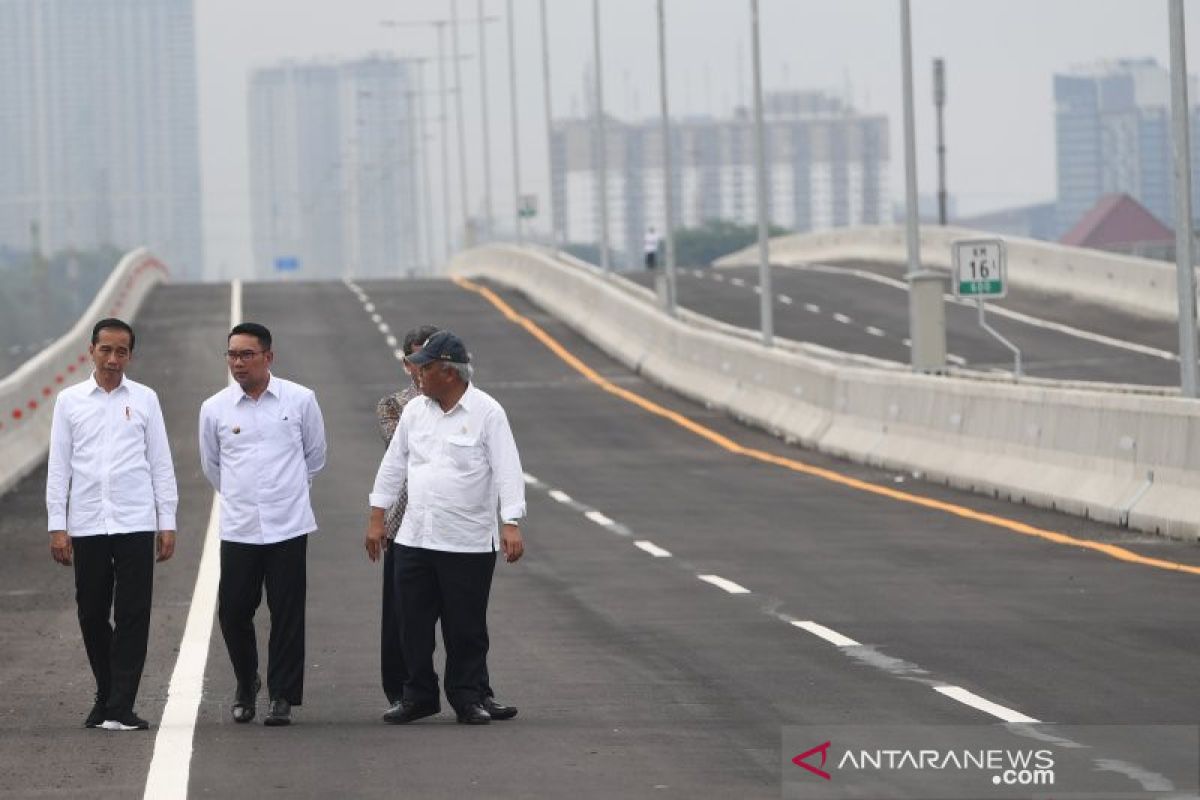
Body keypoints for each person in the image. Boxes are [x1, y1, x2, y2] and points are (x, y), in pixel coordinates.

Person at [366, 330, 525, 725]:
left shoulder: (487, 412)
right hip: (416, 536)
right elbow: (394, 465)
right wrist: (376, 517)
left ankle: (468, 696)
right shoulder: (416, 412)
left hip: (467, 540)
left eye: (426, 369)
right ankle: (418, 695)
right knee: (412, 624)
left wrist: (511, 523)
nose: (418, 376)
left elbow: (508, 470)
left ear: (448, 373)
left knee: (465, 627)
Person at [46, 318, 178, 731]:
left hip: (135, 520)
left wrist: (166, 520)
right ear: (91, 350)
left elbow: (160, 462)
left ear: (130, 355)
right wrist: (57, 525)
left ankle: (121, 704)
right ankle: (106, 694)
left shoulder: (144, 399)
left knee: (134, 615)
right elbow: (59, 467)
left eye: (121, 351)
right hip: (86, 522)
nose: (113, 358)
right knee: (91, 613)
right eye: (106, 349)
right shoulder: (70, 402)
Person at [199, 322, 326, 727]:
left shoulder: (300, 400)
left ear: (268, 357)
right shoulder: (214, 408)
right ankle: (245, 680)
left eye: (246, 355)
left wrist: (284, 492)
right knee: (234, 610)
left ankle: (283, 695)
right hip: (239, 527)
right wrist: (245, 496)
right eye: (232, 355)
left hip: (288, 524)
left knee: (287, 611)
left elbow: (315, 455)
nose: (238, 363)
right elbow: (212, 466)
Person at [373, 324, 438, 713]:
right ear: (406, 363)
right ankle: (403, 691)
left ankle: (476, 690)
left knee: (464, 616)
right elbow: (409, 455)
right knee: (402, 615)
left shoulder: (473, 404)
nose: (425, 366)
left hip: (451, 524)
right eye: (419, 359)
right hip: (404, 523)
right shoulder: (394, 406)